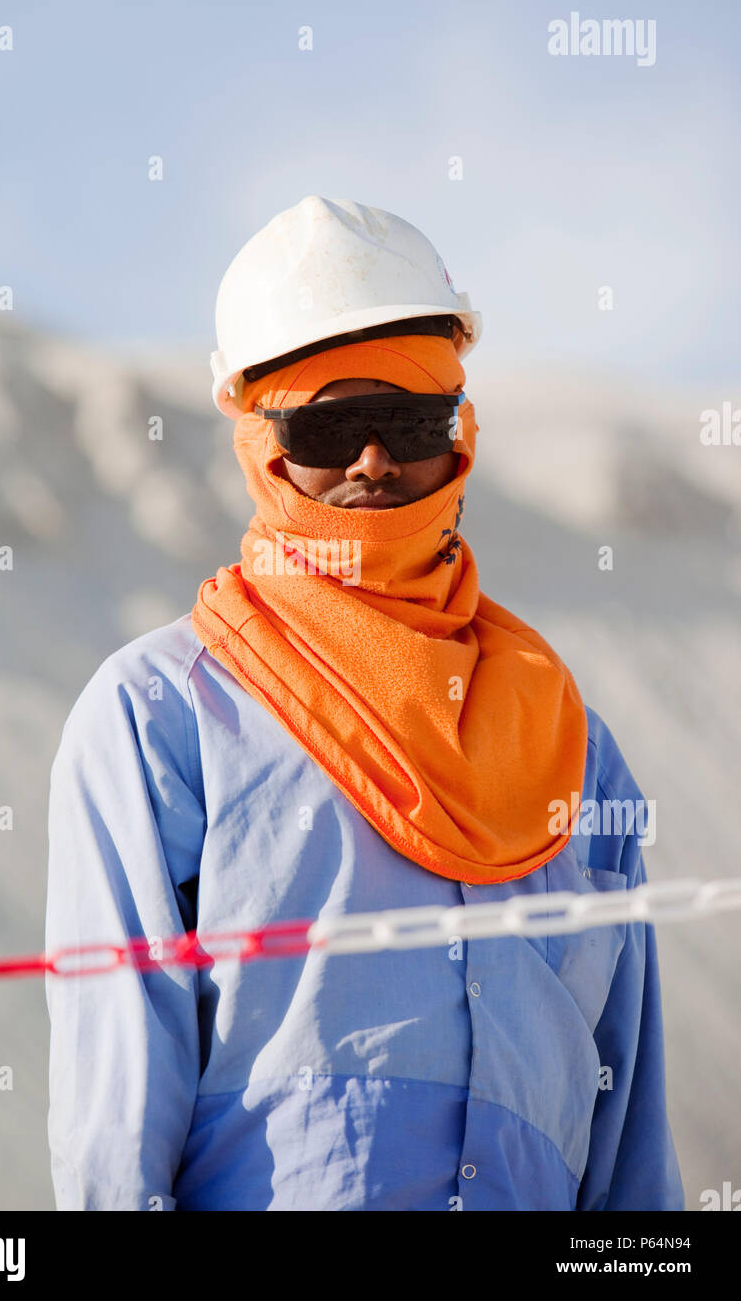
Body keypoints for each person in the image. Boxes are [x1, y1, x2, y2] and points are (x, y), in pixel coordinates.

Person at [45, 195, 684, 1211]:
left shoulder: (574, 750)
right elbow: (116, 1125)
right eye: (328, 426)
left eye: (409, 421)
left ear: (460, 435)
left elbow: (629, 1154)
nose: (374, 463)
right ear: (265, 445)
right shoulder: (158, 718)